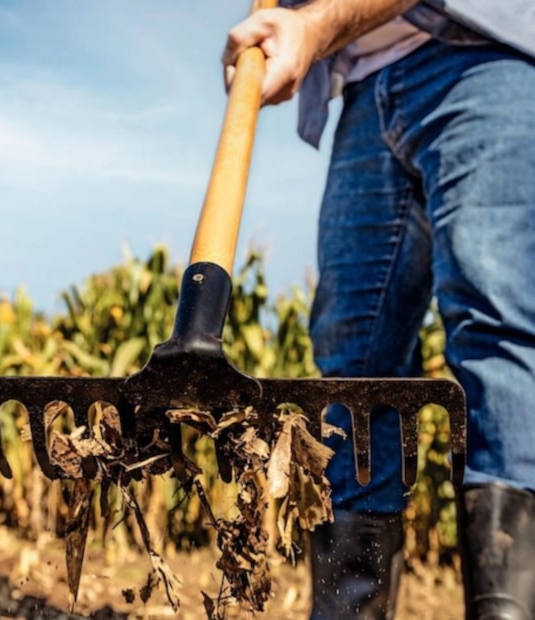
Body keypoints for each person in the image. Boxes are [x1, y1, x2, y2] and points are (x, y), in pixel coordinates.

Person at [223, 1, 535, 618]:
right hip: (363, 85)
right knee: (351, 354)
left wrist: (312, 27)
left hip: (484, 51)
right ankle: (349, 607)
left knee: (493, 320)